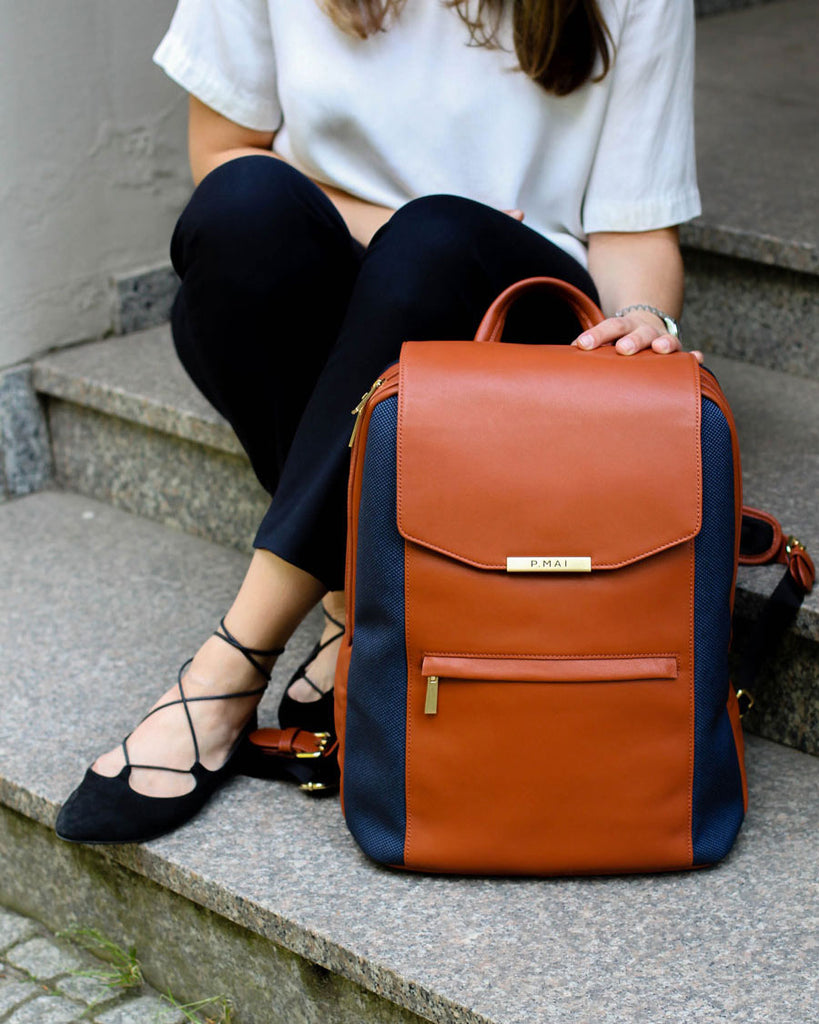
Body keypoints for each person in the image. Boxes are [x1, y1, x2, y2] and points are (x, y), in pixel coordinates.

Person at [56, 0, 703, 844]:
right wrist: (391, 235)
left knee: (435, 242)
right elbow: (221, 158)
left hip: (505, 317)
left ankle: (226, 670)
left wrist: (646, 316)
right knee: (246, 208)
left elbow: (633, 223)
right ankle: (344, 598)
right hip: (341, 292)